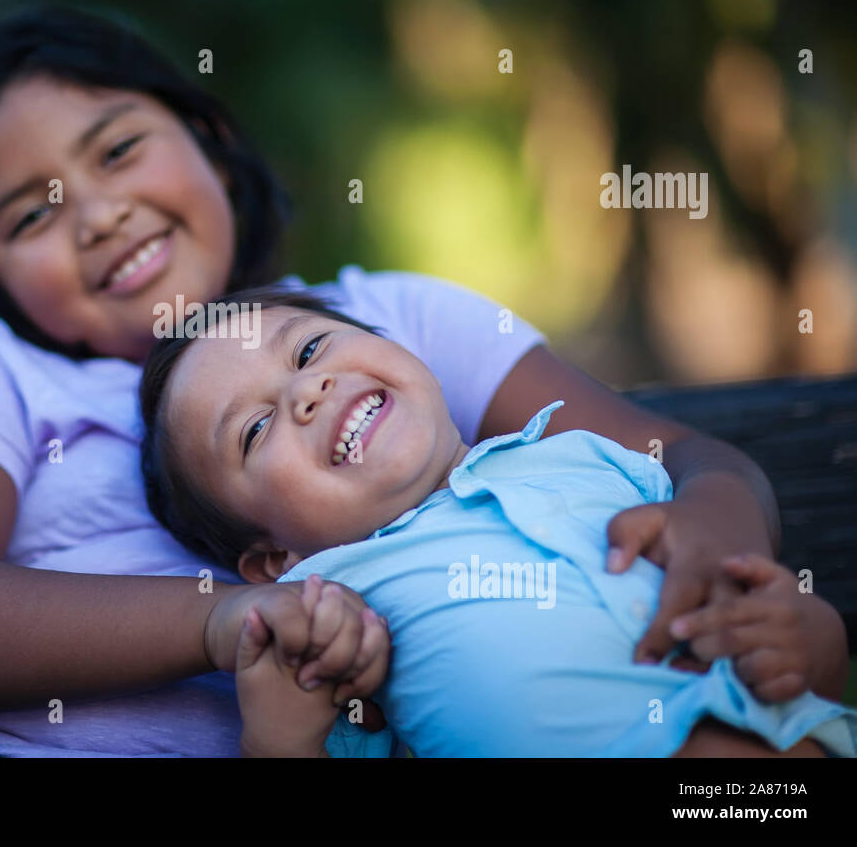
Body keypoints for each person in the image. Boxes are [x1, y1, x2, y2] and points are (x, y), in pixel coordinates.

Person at [0, 4, 835, 757]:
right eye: (29, 215)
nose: (97, 213)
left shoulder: (391, 321)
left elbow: (673, 460)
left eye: (119, 148)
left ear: (209, 140)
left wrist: (718, 519)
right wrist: (224, 622)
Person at [137, 288, 855, 757]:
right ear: (274, 559)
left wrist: (806, 637)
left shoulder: (592, 461)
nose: (308, 389)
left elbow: (799, 671)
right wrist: (280, 741)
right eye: (256, 428)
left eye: (309, 349)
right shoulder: (334, 609)